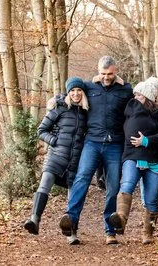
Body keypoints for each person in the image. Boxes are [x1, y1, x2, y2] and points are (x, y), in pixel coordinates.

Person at [59, 56, 133, 245]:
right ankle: (71, 220)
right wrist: (55, 102)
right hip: (91, 142)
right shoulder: (88, 87)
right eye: (102, 73)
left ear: (116, 71)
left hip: (115, 144)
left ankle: (110, 231)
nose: (106, 77)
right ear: (97, 71)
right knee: (82, 178)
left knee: (113, 186)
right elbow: (71, 94)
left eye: (109, 74)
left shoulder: (125, 90)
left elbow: (140, 102)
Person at [24, 77, 88, 245]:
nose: (76, 94)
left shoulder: (87, 112)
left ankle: (71, 233)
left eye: (79, 90)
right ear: (68, 93)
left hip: (75, 161)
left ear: (83, 93)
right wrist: (53, 140)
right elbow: (41, 130)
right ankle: (34, 221)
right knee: (44, 185)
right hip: (55, 156)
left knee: (73, 197)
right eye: (72, 91)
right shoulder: (59, 108)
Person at [108, 77, 158, 244]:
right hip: (132, 156)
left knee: (151, 199)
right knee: (127, 185)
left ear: (149, 97)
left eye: (140, 96)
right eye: (135, 95)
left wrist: (147, 141)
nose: (136, 98)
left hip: (154, 159)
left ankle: (148, 233)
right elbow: (120, 93)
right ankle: (120, 219)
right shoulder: (130, 108)